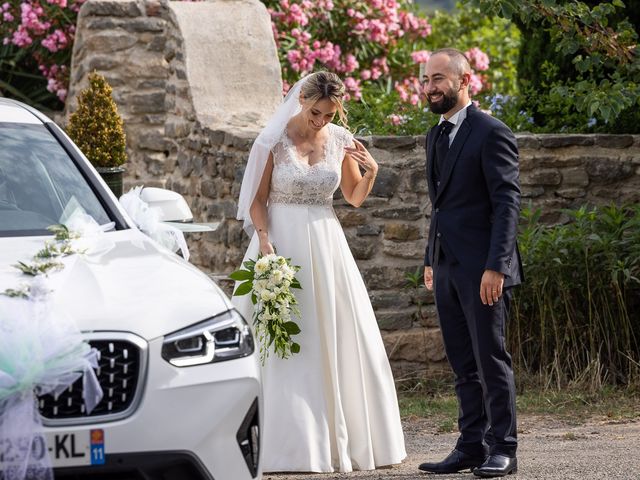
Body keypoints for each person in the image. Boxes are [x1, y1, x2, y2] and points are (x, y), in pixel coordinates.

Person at [233, 71, 406, 473]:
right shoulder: (273, 141)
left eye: (329, 115)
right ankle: (282, 443)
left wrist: (372, 172)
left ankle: (339, 440)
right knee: (281, 338)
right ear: (301, 101)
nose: (321, 121)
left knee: (335, 333)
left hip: (327, 246)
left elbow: (353, 198)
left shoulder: (341, 140)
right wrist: (263, 239)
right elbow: (257, 201)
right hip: (279, 241)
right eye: (316, 113)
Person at [418, 49, 523, 478]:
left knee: (490, 359)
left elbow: (506, 203)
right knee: (462, 364)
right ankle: (470, 446)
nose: (430, 87)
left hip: (483, 270)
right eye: (426, 80)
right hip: (445, 267)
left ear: (465, 80)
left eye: (439, 78)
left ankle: (504, 448)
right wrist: (430, 258)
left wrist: (497, 266)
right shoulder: (434, 135)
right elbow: (440, 206)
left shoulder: (491, 132)